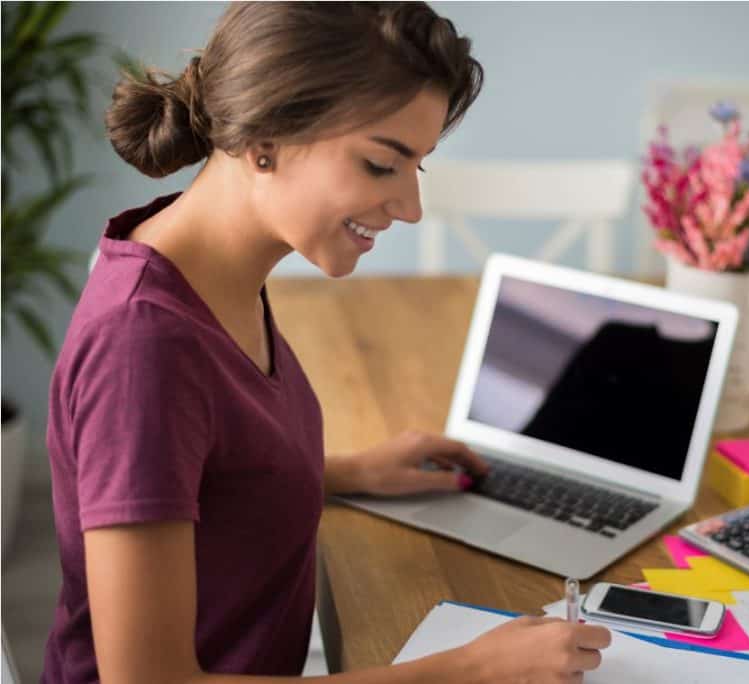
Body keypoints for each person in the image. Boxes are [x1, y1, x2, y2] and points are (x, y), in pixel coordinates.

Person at [42, 3, 611, 683]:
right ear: (267, 139)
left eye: (416, 169)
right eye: (380, 164)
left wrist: (342, 473)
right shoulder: (144, 349)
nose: (410, 207)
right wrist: (468, 670)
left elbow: (198, 466)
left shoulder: (208, 268)